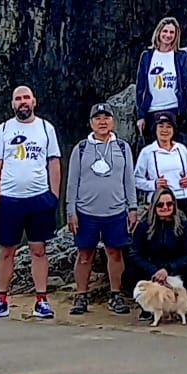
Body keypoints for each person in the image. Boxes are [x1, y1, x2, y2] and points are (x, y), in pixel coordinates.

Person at [0, 85, 61, 321]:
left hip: (39, 198)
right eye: (18, 99)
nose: (23, 102)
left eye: (26, 97)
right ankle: (1, 300)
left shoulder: (46, 128)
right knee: (6, 251)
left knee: (39, 250)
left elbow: (54, 161)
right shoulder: (3, 129)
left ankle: (41, 300)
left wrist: (54, 195)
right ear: (12, 104)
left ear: (34, 101)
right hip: (9, 200)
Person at [66, 102, 138, 317]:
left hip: (115, 211)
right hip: (86, 211)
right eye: (97, 118)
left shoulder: (123, 148)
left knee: (115, 253)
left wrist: (132, 208)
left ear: (113, 121)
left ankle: (116, 295)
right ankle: (81, 295)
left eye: (106, 117)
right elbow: (72, 182)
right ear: (91, 123)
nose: (102, 122)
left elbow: (129, 180)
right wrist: (71, 211)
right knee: (84, 254)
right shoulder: (81, 149)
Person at [130, 187, 187, 317]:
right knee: (130, 273)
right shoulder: (144, 225)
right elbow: (135, 254)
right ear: (154, 206)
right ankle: (148, 307)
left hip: (175, 268)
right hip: (152, 268)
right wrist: (153, 270)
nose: (165, 207)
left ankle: (180, 306)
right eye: (160, 205)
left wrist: (168, 269)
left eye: (169, 204)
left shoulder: (183, 224)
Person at [135, 18, 187, 141]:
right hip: (152, 109)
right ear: (158, 32)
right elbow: (140, 87)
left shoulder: (181, 57)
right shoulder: (147, 56)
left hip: (174, 109)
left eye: (171, 32)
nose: (168, 35)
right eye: (165, 31)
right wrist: (140, 116)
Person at [134, 114, 187, 210]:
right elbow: (136, 179)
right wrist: (153, 184)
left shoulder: (181, 148)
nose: (165, 130)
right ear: (155, 129)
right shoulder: (147, 152)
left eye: (169, 127)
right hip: (159, 200)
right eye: (161, 126)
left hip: (182, 198)